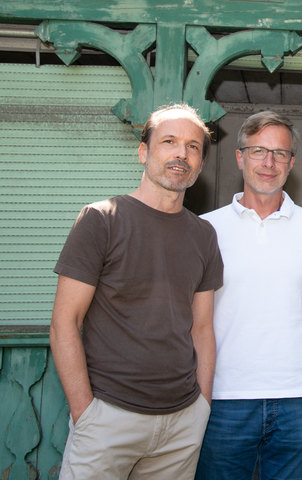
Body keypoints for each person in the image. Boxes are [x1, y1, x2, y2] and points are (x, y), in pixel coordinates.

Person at [50, 104, 223, 479]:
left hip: (181, 422)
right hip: (108, 417)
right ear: (144, 152)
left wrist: (201, 407)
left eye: (194, 147)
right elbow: (65, 321)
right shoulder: (101, 219)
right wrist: (85, 414)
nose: (182, 153)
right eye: (169, 142)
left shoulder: (204, 235)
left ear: (201, 163)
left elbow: (202, 329)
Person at [195, 111, 302, 480]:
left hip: (298, 399)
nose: (268, 163)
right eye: (258, 151)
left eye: (279, 153)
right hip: (224, 397)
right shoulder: (206, 229)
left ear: (292, 163)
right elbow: (196, 318)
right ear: (240, 157)